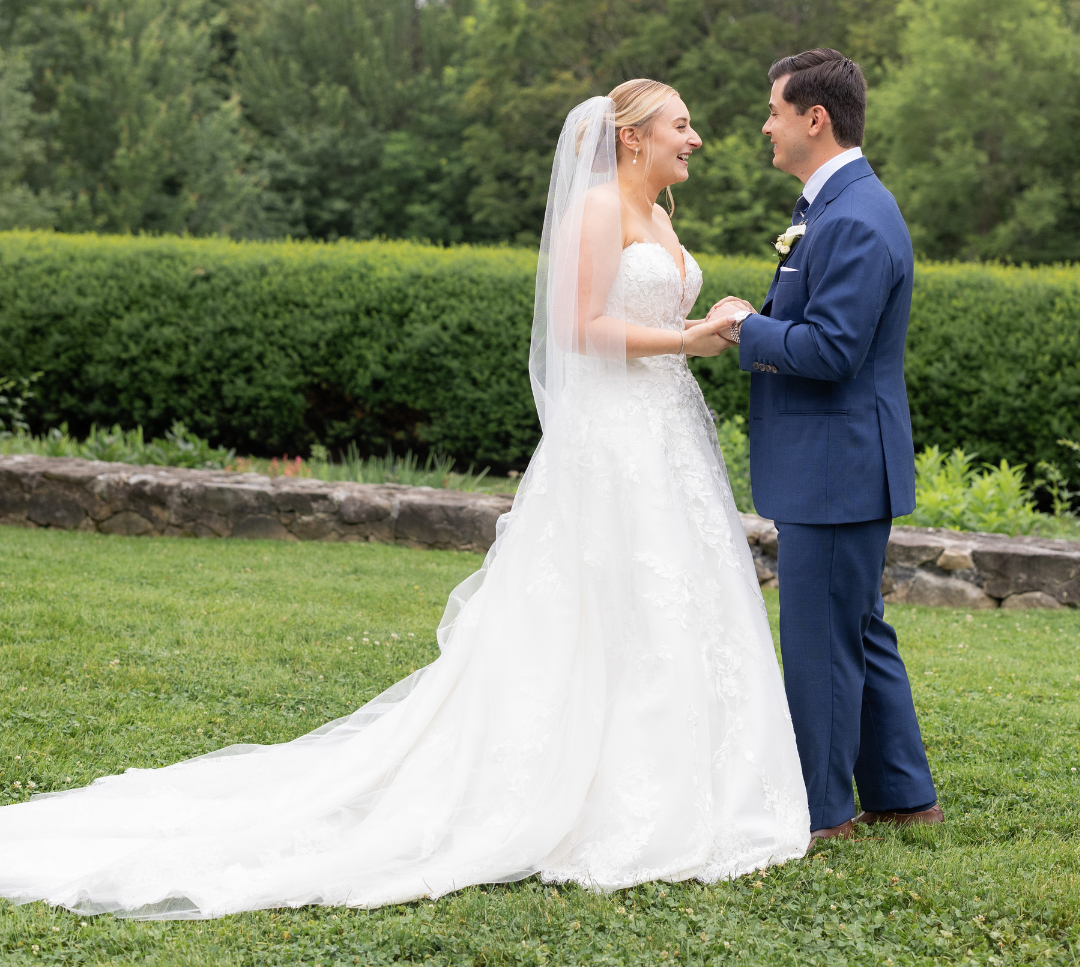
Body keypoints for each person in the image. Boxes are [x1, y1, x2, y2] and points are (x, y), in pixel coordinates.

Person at [0, 81, 809, 920]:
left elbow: (655, 317)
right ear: (634, 136)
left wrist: (715, 321)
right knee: (602, 596)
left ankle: (677, 777)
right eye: (681, 125)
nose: (696, 138)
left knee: (667, 596)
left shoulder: (662, 215)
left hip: (665, 432)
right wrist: (683, 337)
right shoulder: (599, 209)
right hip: (611, 440)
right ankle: (580, 785)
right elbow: (580, 329)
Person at [711, 49, 941, 844]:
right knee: (857, 630)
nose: (765, 126)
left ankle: (821, 814)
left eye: (775, 112)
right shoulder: (838, 206)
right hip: (836, 461)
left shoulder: (853, 217)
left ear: (816, 118)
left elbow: (834, 349)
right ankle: (903, 793)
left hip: (837, 467)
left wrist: (746, 328)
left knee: (819, 643)